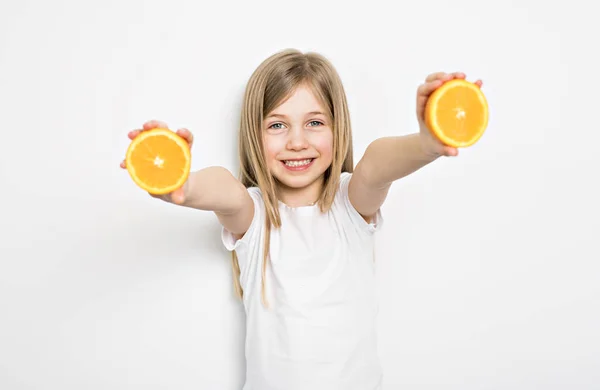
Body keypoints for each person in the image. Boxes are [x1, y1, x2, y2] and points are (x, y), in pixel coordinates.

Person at [119, 48, 483, 390]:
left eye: (314, 122)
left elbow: (375, 166)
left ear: (337, 128)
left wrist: (426, 142)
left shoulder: (350, 204)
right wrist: (183, 184)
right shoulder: (254, 215)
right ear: (254, 135)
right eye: (277, 125)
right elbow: (223, 189)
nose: (296, 141)